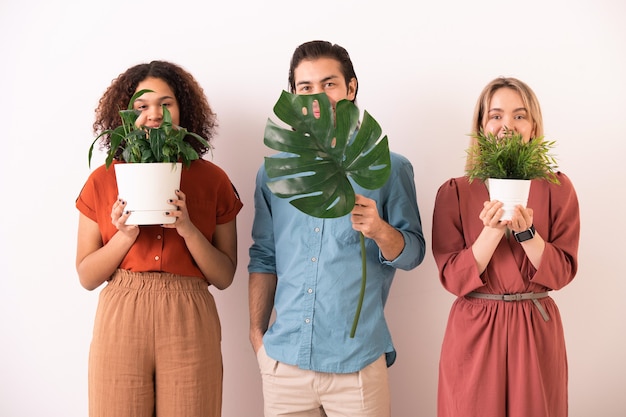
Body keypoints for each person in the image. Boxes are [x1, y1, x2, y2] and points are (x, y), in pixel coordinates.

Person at [248, 40, 426, 417]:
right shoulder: (273, 174)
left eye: (328, 84)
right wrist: (257, 338)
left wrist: (379, 229)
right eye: (305, 88)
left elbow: (413, 254)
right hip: (284, 363)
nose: (318, 98)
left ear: (351, 88)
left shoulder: (390, 168)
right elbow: (263, 257)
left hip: (357, 365)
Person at [75, 60, 243, 417]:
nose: (154, 114)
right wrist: (124, 237)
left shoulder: (213, 180)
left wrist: (188, 229)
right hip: (122, 311)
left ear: (183, 110)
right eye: (142, 105)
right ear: (124, 115)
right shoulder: (102, 181)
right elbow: (87, 276)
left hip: (189, 314)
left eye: (166, 104)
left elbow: (225, 276)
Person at [432, 77, 580, 417]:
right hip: (474, 330)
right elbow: (453, 279)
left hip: (535, 326)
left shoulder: (558, 189)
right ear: (482, 126)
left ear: (533, 126)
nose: (507, 125)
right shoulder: (454, 192)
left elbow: (562, 273)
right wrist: (491, 232)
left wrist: (528, 234)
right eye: (496, 116)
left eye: (519, 115)